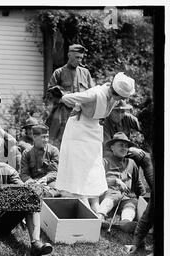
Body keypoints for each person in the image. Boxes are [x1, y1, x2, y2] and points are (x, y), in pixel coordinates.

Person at [56, 72, 135, 212]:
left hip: (93, 131)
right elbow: (66, 98)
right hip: (78, 131)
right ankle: (85, 208)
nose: (122, 100)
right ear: (115, 91)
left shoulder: (114, 99)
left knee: (93, 169)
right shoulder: (94, 94)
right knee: (79, 170)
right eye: (121, 97)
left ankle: (95, 208)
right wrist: (77, 104)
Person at [45, 44, 95, 149]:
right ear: (69, 55)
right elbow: (50, 92)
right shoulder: (59, 72)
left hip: (81, 114)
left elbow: (93, 92)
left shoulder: (85, 73)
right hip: (63, 114)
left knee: (80, 143)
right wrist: (62, 94)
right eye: (77, 57)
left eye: (81, 58)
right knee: (59, 143)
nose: (79, 60)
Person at [96, 132, 146, 232]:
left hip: (124, 198)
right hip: (106, 197)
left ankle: (125, 223)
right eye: (121, 145)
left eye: (126, 146)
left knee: (132, 202)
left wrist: (143, 197)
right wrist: (115, 181)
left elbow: (137, 183)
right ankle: (99, 216)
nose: (124, 148)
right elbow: (96, 180)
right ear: (112, 147)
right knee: (115, 194)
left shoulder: (131, 163)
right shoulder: (104, 161)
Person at [20, 124, 59, 193]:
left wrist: (45, 179)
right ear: (34, 137)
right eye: (43, 137)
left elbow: (54, 172)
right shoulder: (27, 153)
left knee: (55, 190)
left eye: (47, 137)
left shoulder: (53, 151)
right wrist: (30, 181)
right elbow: (24, 173)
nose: (46, 140)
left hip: (48, 183)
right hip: (32, 184)